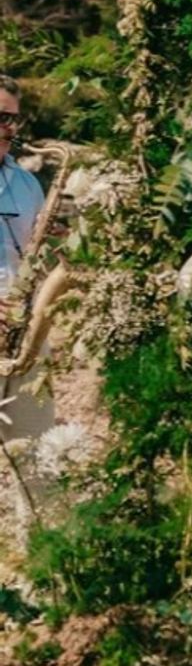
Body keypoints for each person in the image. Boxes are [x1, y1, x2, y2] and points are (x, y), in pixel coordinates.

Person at [0, 74, 53, 437]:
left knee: (37, 452)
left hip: (22, 335)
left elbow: (33, 258)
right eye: (0, 117)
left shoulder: (28, 184)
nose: (7, 128)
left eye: (12, 119)